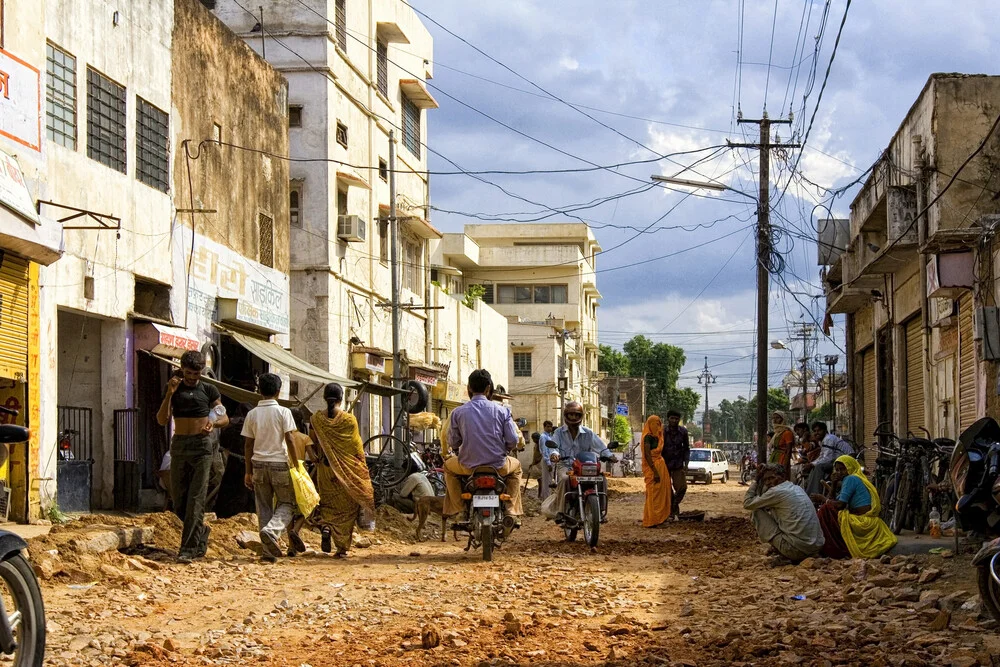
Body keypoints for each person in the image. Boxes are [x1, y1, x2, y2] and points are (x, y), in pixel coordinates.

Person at [156, 350, 230, 563]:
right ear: (182, 368)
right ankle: (200, 535)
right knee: (179, 500)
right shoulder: (174, 388)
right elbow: (162, 420)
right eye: (188, 373)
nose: (192, 378)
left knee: (196, 499)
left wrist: (213, 423)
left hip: (202, 448)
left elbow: (224, 418)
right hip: (179, 446)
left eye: (196, 374)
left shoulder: (209, 389)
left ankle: (187, 549)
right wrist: (169, 393)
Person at [442, 369, 523, 524]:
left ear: (469, 388)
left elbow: (453, 442)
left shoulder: (458, 412)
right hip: (498, 466)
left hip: (468, 466)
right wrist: (505, 449)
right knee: (517, 468)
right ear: (488, 389)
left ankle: (460, 510)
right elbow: (512, 440)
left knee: (448, 467)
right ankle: (510, 510)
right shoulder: (502, 411)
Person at [309, 383, 376, 557]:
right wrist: (362, 471)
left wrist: (317, 458)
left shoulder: (316, 419)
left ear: (325, 398)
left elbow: (312, 442)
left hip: (325, 470)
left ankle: (326, 527)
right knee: (348, 510)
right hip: (347, 472)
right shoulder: (349, 420)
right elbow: (356, 448)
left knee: (328, 506)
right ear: (341, 398)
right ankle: (341, 547)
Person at [242, 373, 299, 563]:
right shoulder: (284, 412)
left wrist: (248, 471)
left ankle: (267, 553)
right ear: (278, 391)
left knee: (263, 506)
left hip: (258, 464)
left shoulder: (252, 414)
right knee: (288, 503)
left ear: (259, 391)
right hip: (279, 463)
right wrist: (296, 464)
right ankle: (272, 531)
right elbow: (290, 439)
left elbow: (248, 445)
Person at [812, 455, 896, 559]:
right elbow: (834, 501)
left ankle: (834, 549)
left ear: (850, 467)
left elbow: (839, 505)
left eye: (843, 469)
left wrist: (823, 499)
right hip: (865, 520)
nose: (839, 472)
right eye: (837, 470)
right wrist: (833, 484)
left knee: (825, 510)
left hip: (861, 521)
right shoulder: (853, 479)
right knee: (827, 508)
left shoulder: (850, 479)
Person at [547, 401, 615, 521]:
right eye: (571, 415)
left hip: (586, 467)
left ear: (581, 416)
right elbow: (554, 447)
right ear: (566, 416)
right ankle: (561, 511)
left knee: (602, 479)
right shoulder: (559, 432)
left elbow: (601, 447)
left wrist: (610, 455)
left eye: (576, 415)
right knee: (564, 479)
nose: (573, 417)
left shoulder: (588, 433)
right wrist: (554, 454)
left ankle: (600, 511)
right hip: (566, 466)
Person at [744, 463, 825, 563]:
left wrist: (756, 480)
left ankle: (785, 552)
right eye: (766, 480)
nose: (768, 483)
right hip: (816, 547)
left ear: (782, 477)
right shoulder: (796, 488)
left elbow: (748, 503)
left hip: (797, 550)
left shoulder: (776, 492)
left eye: (771, 478)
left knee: (756, 511)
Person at [803, 422, 855, 496]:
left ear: (825, 430)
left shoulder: (829, 439)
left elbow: (828, 458)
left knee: (819, 467)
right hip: (839, 460)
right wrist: (811, 464)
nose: (816, 433)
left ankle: (815, 494)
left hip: (847, 460)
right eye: (815, 431)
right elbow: (822, 456)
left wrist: (812, 464)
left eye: (819, 430)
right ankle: (810, 492)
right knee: (815, 466)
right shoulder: (823, 441)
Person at [641, 415, 671, 528]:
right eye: (655, 424)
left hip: (661, 466)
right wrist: (655, 472)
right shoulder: (647, 437)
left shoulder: (659, 437)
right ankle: (652, 520)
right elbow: (648, 455)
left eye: (659, 424)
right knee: (653, 494)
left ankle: (660, 518)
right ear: (650, 424)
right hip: (652, 469)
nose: (657, 426)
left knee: (662, 493)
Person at [661, 410, 690, 519]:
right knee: (667, 489)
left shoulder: (683, 432)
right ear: (668, 419)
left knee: (682, 487)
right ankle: (672, 512)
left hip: (678, 464)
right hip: (665, 464)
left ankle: (674, 506)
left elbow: (687, 448)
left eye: (676, 419)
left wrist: (686, 463)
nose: (674, 420)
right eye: (672, 418)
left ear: (679, 420)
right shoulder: (663, 431)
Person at [769, 412, 795, 480]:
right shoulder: (777, 433)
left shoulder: (787, 433)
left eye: (777, 418)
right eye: (773, 418)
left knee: (780, 478)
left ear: (783, 419)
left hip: (782, 458)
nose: (774, 420)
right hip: (774, 457)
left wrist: (785, 465)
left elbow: (789, 450)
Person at [538, 420, 556, 500]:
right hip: (547, 461)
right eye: (548, 426)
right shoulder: (543, 437)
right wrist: (548, 463)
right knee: (546, 481)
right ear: (544, 427)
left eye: (550, 426)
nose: (549, 428)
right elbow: (544, 451)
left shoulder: (550, 436)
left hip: (552, 460)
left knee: (550, 481)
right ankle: (546, 499)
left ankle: (548, 499)